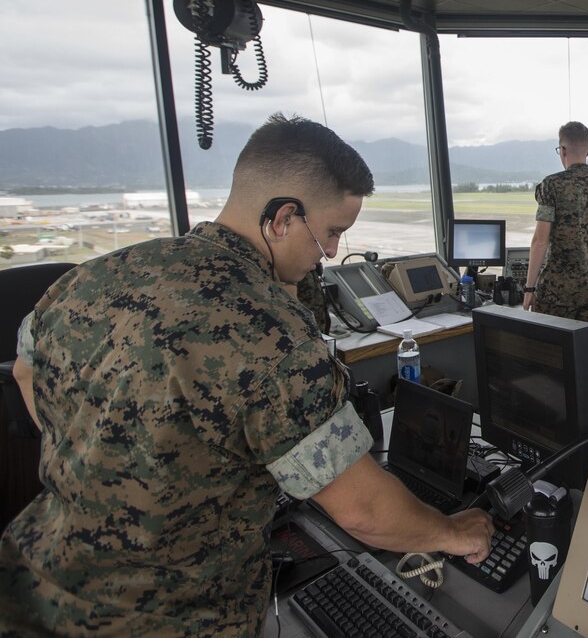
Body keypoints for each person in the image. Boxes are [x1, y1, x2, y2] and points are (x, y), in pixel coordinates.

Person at [0, 114, 494, 635]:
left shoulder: (93, 274)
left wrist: (96, 458)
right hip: (166, 617)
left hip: (32, 581)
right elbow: (363, 511)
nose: (329, 252)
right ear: (283, 218)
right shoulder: (270, 335)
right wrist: (450, 532)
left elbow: (27, 372)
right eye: (331, 233)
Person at [523, 121, 588, 340]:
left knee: (554, 362)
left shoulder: (551, 186)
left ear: (563, 150)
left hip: (558, 295)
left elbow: (540, 240)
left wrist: (529, 289)